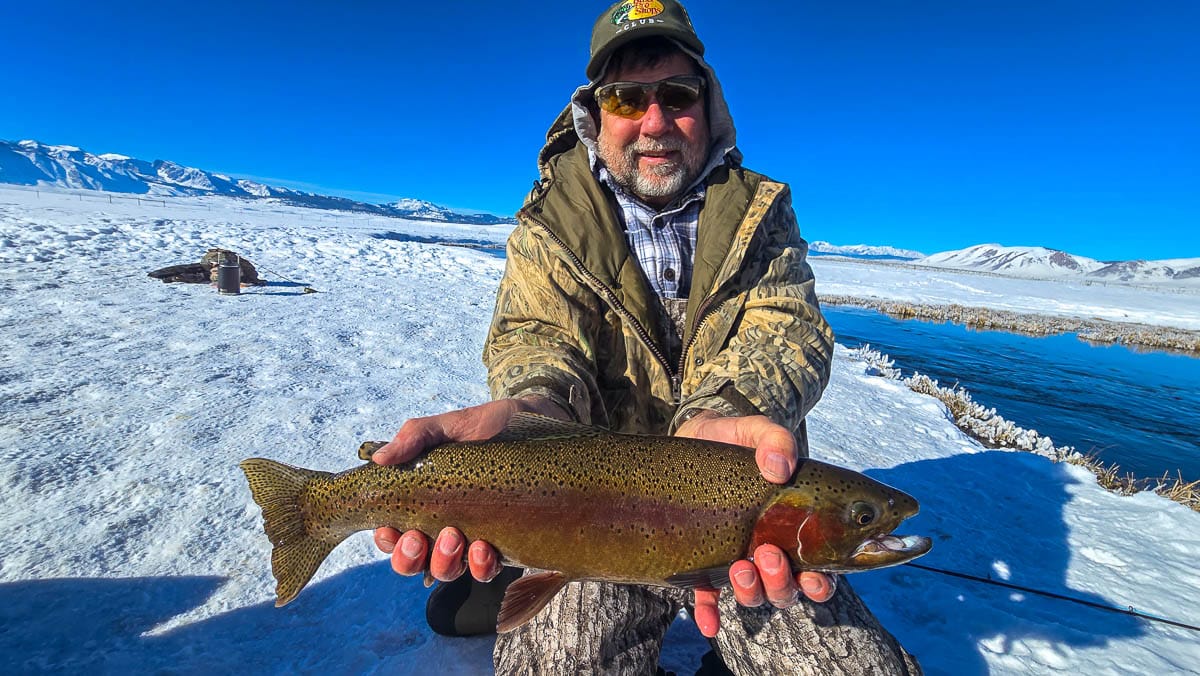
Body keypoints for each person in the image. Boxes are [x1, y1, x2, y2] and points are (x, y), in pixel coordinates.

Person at [371, 1, 921, 673]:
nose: (655, 121)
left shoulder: (762, 215)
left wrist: (725, 413)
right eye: (628, 98)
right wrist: (533, 409)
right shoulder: (549, 228)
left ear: (707, 103)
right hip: (581, 512)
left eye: (676, 94)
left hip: (745, 529)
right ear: (597, 111)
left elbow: (789, 331)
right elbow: (539, 340)